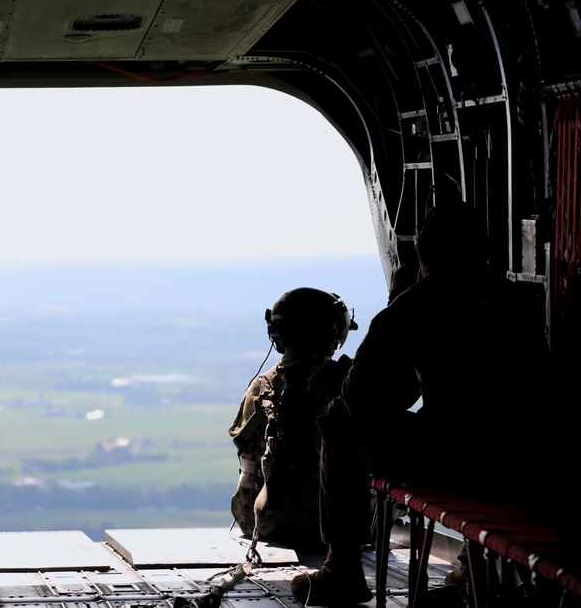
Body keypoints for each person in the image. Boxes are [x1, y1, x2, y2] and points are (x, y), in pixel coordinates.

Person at [289, 201, 553, 606]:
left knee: (340, 425)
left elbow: (359, 396)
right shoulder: (520, 302)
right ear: (485, 250)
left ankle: (340, 569)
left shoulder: (416, 305)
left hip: (452, 460)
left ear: (423, 252)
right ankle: (471, 569)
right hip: (526, 459)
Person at [229, 287, 358, 553]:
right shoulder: (341, 383)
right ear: (331, 332)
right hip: (322, 527)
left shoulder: (259, 385)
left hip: (255, 519)